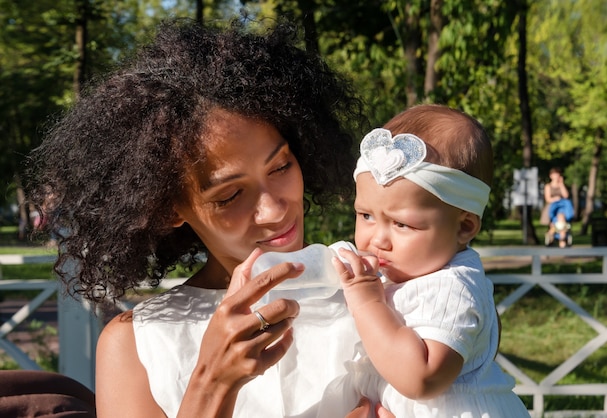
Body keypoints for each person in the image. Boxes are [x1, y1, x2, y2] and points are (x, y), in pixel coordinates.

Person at [25, 18, 390, 418]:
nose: (274, 209)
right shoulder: (136, 345)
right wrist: (213, 381)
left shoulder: (384, 294)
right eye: (230, 195)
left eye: (281, 166)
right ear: (168, 208)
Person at [318, 104, 530, 417]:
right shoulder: (405, 275)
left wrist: (367, 304)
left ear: (464, 227)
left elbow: (422, 378)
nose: (378, 239)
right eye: (365, 215)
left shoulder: (451, 288)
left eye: (401, 224)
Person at [543, 167, 574, 248]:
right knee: (554, 224)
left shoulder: (561, 185)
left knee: (562, 221)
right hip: (553, 208)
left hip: (562, 208)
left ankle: (561, 241)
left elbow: (566, 195)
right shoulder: (548, 186)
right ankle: (552, 239)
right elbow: (548, 198)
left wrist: (561, 184)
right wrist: (555, 199)